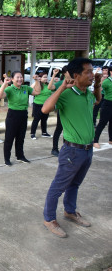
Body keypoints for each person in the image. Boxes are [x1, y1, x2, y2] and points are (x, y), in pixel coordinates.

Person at [41, 58, 102, 238]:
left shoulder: (87, 93)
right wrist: (61, 87)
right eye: (88, 72)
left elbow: (97, 100)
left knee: (75, 184)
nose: (92, 75)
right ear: (76, 76)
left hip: (87, 149)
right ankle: (49, 219)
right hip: (72, 151)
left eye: (92, 71)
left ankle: (69, 211)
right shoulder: (66, 95)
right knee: (58, 186)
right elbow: (45, 109)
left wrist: (97, 84)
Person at [0, 71, 41, 166]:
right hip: (13, 115)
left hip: (23, 115)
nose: (20, 79)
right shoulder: (10, 89)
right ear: (12, 79)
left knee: (21, 137)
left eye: (21, 77)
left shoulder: (26, 88)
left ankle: (20, 156)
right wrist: (4, 83)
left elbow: (37, 92)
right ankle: (7, 158)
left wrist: (37, 81)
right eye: (17, 77)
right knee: (9, 138)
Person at [47, 66, 70, 157]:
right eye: (69, 71)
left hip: (71, 111)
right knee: (59, 129)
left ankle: (66, 148)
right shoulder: (60, 83)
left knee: (68, 130)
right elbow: (49, 87)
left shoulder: (75, 83)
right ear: (64, 73)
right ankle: (54, 149)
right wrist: (53, 75)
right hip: (62, 110)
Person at [30, 73, 55, 140]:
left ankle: (44, 133)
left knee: (44, 119)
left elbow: (53, 88)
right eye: (44, 77)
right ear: (40, 78)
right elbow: (30, 88)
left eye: (46, 77)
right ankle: (32, 133)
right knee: (36, 119)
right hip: (38, 105)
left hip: (46, 105)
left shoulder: (48, 85)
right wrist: (36, 80)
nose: (46, 78)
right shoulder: (37, 84)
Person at [93, 65, 112, 148]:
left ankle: (111, 139)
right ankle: (95, 140)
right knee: (102, 123)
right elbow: (98, 89)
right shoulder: (107, 82)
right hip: (107, 104)